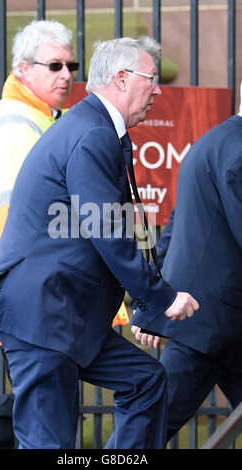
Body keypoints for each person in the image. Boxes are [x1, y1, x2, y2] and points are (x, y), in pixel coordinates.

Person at [0, 36, 199, 449]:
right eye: (151, 79)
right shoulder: (92, 133)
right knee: (46, 443)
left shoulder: (97, 129)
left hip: (67, 313)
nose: (159, 90)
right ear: (122, 79)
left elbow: (123, 227)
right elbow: (106, 228)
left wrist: (148, 301)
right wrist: (161, 297)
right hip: (43, 313)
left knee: (145, 380)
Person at [0, 19, 77, 449]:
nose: (66, 74)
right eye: (54, 65)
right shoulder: (11, 123)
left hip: (43, 298)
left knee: (42, 411)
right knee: (42, 417)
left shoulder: (45, 120)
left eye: (71, 64)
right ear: (23, 70)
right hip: (31, 298)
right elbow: (12, 223)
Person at [131, 81, 242, 441]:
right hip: (210, 323)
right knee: (147, 431)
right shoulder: (237, 152)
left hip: (213, 321)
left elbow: (175, 229)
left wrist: (150, 305)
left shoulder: (212, 142)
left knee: (149, 427)